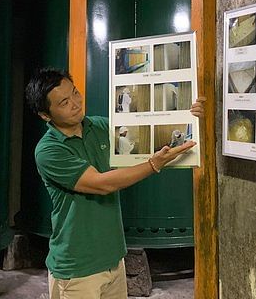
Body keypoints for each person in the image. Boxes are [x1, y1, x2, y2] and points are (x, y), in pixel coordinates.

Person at [25, 68, 204, 299]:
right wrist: (153, 165)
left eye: (75, 93)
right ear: (45, 115)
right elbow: (101, 184)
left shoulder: (99, 127)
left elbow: (151, 132)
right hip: (77, 268)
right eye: (64, 102)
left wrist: (190, 115)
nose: (76, 103)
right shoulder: (49, 150)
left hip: (113, 258)